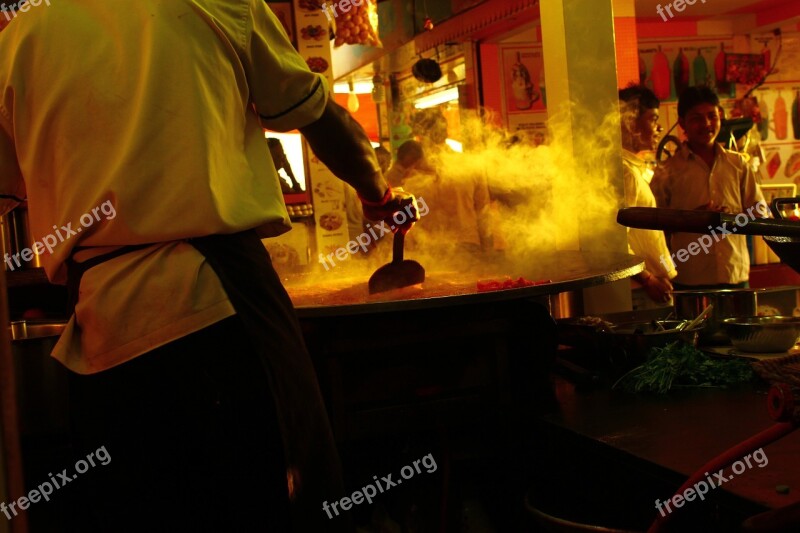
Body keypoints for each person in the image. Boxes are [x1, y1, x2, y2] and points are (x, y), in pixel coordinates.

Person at [0, 1, 417, 531]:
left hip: (103, 338)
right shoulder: (217, 5)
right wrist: (379, 194)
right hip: (221, 307)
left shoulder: (20, 40)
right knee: (286, 504)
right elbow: (322, 119)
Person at [651, 86, 766, 289]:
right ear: (682, 123)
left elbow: (759, 211)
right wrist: (693, 219)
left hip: (735, 276)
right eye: (696, 118)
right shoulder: (667, 171)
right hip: (689, 279)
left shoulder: (738, 164)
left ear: (720, 117)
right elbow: (654, 226)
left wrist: (729, 221)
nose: (706, 124)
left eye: (712, 116)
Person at [618, 84, 676, 306]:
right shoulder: (625, 173)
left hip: (645, 287)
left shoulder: (631, 169)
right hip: (640, 290)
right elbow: (617, 239)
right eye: (653, 119)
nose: (659, 127)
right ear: (631, 123)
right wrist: (648, 280)